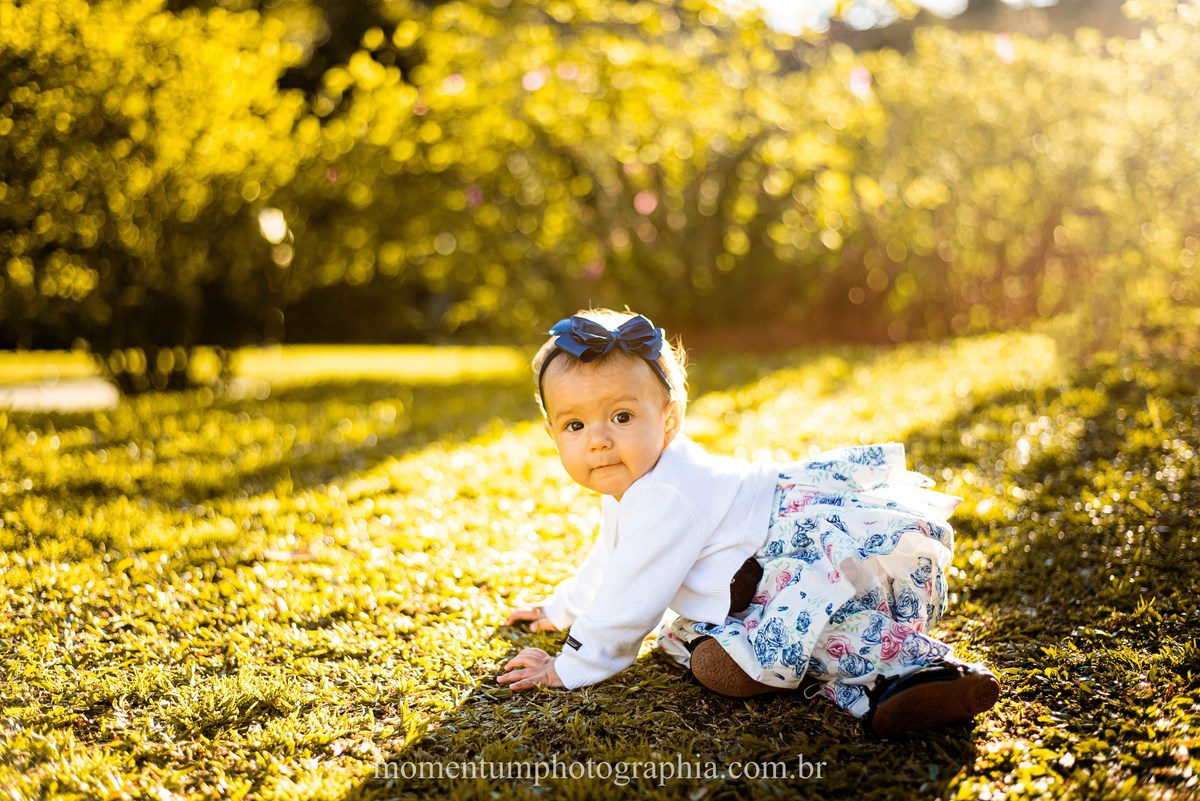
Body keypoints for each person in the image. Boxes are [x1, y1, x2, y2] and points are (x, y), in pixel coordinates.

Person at [497, 309, 1000, 736]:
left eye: (622, 417)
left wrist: (571, 667)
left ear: (667, 420)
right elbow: (612, 558)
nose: (599, 440)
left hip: (810, 567)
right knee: (702, 651)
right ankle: (806, 673)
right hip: (760, 579)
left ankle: (924, 675)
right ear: (552, 434)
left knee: (825, 623)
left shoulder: (667, 492)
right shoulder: (636, 483)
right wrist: (562, 608)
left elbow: (631, 595)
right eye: (575, 425)